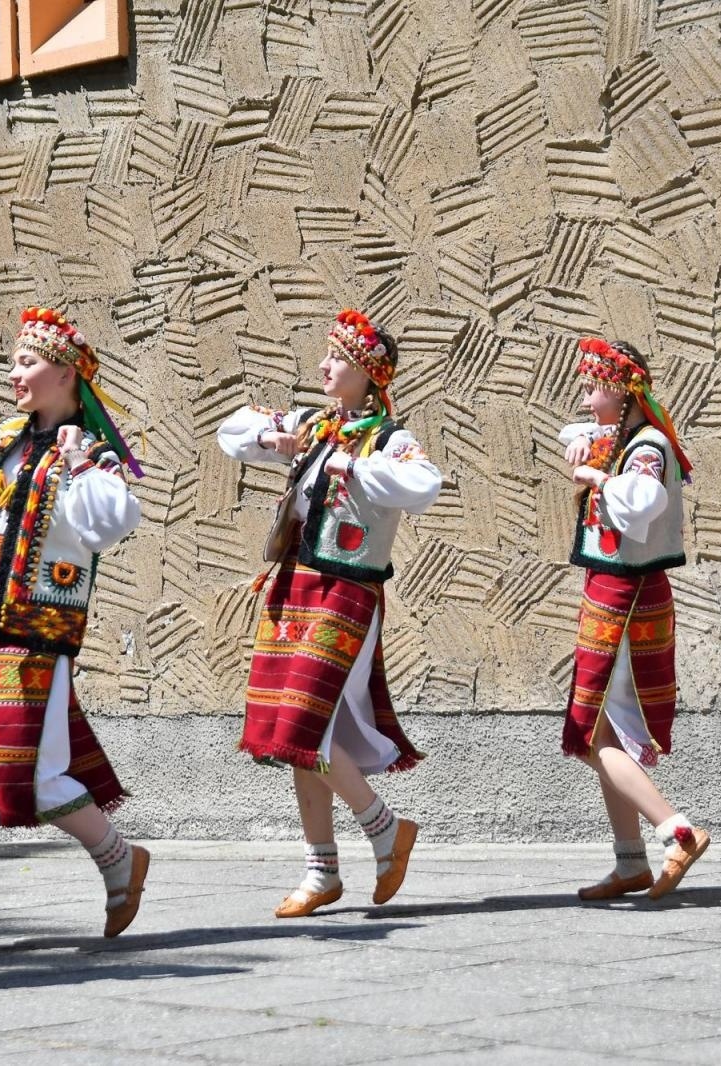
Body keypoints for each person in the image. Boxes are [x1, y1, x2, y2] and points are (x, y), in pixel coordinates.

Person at [0, 306, 146, 954]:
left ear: (66, 374)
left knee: (26, 773)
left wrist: (81, 466)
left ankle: (117, 854)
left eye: (27, 362)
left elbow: (114, 523)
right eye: (14, 361)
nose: (14, 373)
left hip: (32, 618)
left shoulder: (92, 450)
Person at [216, 309, 441, 917]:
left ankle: (384, 828)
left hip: (345, 591)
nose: (323, 366)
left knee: (299, 727)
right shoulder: (313, 425)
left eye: (337, 358)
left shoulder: (388, 439)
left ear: (367, 374)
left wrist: (356, 467)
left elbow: (425, 483)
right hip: (293, 586)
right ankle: (322, 869)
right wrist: (271, 440)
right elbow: (230, 430)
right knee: (293, 734)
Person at [558, 338, 709, 901]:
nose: (584, 395)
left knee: (595, 732)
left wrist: (596, 478)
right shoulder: (626, 441)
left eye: (594, 386)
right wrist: (586, 446)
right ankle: (630, 863)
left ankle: (677, 831)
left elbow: (641, 500)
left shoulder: (645, 449)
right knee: (602, 731)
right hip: (614, 593)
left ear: (623, 392)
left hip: (626, 598)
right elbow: (574, 436)